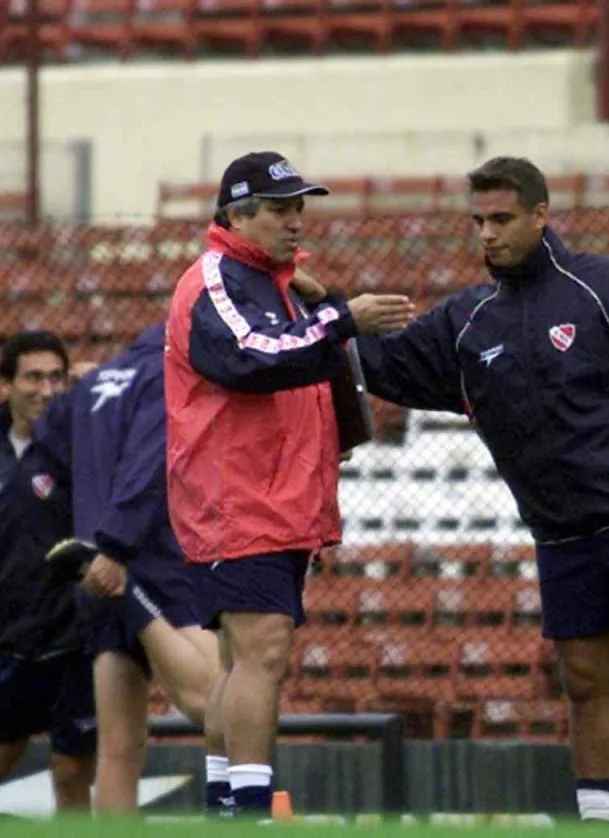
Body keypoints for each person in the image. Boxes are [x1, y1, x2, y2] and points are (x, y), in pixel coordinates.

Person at [298, 156, 609, 825]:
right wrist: (328, 314)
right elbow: (386, 369)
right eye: (478, 222)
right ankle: (598, 819)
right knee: (586, 684)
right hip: (560, 534)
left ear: (540, 215)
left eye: (501, 219)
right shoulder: (466, 322)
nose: (488, 235)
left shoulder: (602, 285)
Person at [163, 151, 415, 819]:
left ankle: (226, 807)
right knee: (261, 652)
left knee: (242, 657)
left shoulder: (274, 282)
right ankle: (246, 811)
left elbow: (305, 360)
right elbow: (251, 358)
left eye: (300, 206)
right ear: (235, 215)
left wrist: (325, 307)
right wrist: (341, 318)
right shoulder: (214, 278)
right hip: (237, 499)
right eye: (279, 208)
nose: (295, 220)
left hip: (270, 499)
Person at [35, 324, 221, 814]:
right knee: (217, 705)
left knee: (119, 749)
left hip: (94, 563)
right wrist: (119, 547)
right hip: (152, 558)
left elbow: (48, 444)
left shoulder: (98, 382)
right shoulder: (167, 375)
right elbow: (150, 462)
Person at [0, 331, 95, 812]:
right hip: (12, 636)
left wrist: (91, 382)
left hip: (74, 636)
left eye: (56, 377)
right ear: (6, 384)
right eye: (34, 377)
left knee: (70, 775)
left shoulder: (76, 439)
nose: (46, 389)